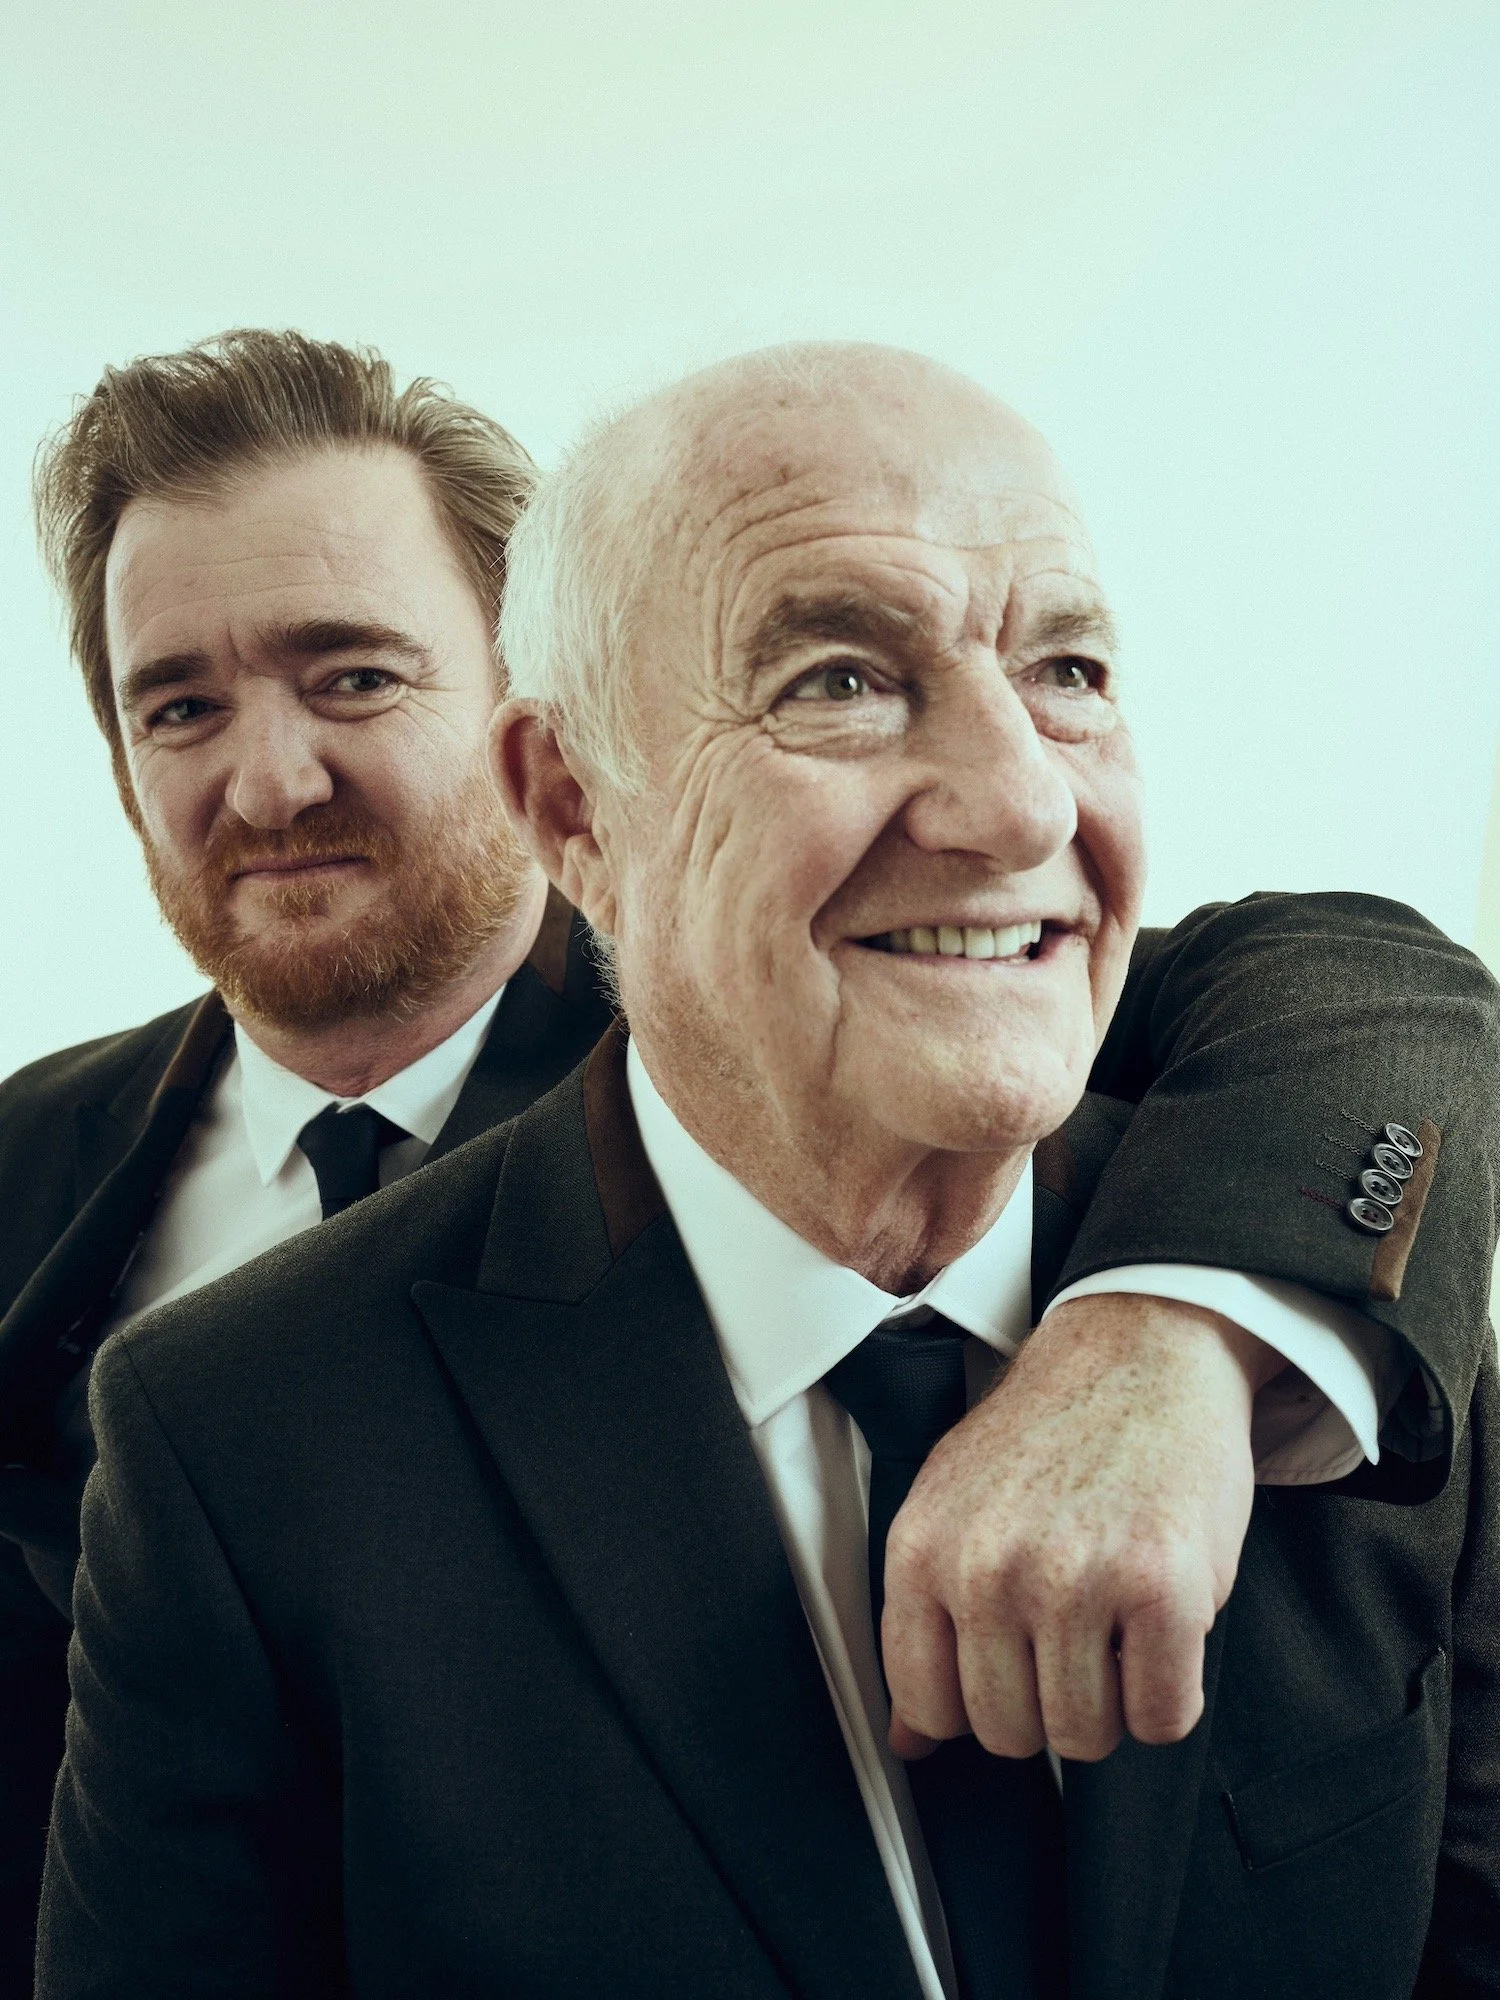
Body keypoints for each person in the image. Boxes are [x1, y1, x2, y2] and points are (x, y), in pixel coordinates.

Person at [35, 343, 1500, 1998]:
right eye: (835, 681)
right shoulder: (204, 1390)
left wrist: (1166, 1343)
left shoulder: (1296, 1294)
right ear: (575, 801)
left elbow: (1392, 995)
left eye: (1073, 667)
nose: (1014, 801)